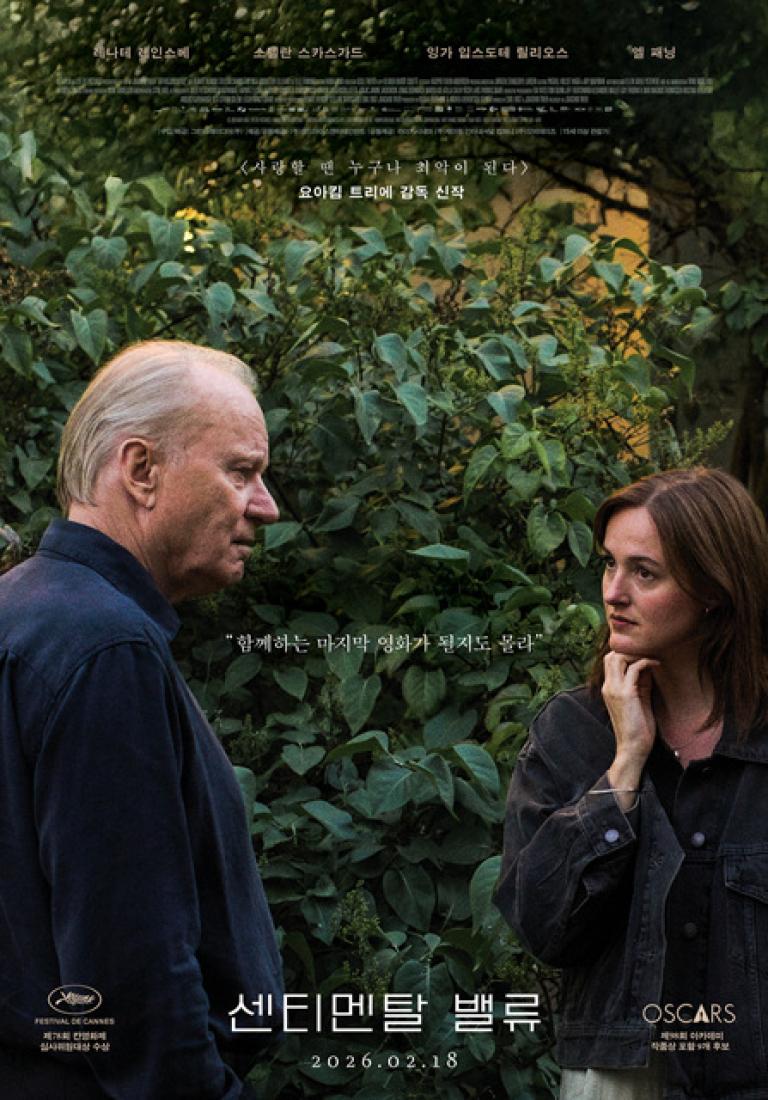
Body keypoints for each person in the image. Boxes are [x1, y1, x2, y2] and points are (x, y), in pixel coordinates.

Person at [0, 340, 284, 1098]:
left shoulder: (24, 613)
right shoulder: (106, 647)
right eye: (241, 471)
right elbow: (133, 968)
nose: (266, 506)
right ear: (141, 470)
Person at [494, 467, 768, 1100]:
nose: (614, 593)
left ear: (714, 589)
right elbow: (543, 927)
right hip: (620, 1078)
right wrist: (625, 766)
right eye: (609, 565)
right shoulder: (572, 731)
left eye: (645, 573)